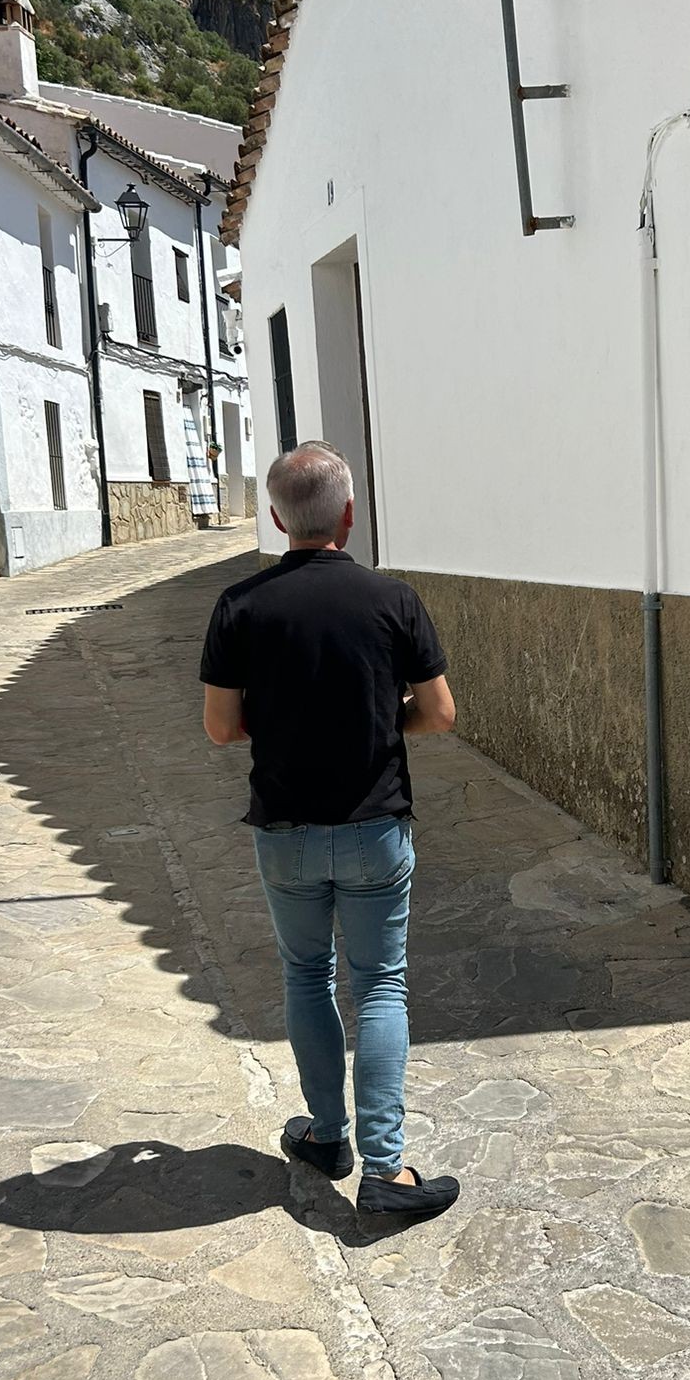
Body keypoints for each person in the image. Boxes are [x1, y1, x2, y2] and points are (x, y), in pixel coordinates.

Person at [199, 441, 460, 1219]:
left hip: (285, 830)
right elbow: (440, 713)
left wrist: (282, 725)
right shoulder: (393, 600)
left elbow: (220, 728)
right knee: (380, 983)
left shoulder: (239, 606)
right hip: (375, 825)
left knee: (306, 976)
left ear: (277, 518)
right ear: (349, 513)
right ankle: (385, 1168)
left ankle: (324, 1134)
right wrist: (378, 721)